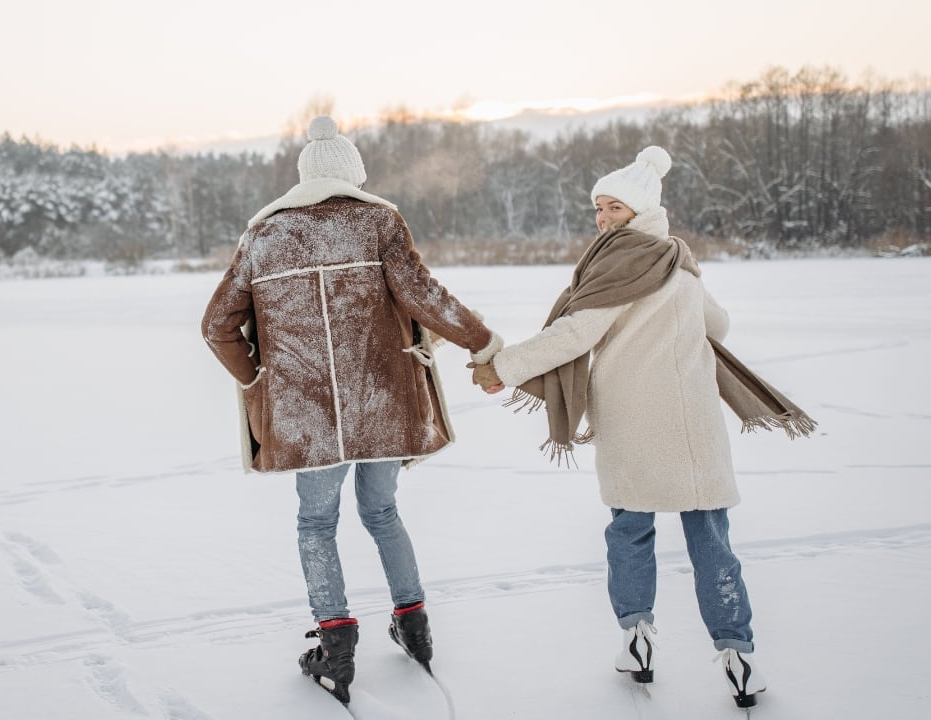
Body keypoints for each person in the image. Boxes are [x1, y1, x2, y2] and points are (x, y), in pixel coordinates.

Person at [471, 146, 815, 709]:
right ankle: (739, 657)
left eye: (613, 208)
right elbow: (719, 326)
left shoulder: (620, 262)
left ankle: (637, 641)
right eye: (598, 208)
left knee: (631, 532)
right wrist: (687, 294)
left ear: (639, 210)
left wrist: (503, 368)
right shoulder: (676, 259)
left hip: (635, 423)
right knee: (711, 540)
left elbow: (575, 334)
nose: (602, 218)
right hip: (696, 423)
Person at [201, 116, 502, 704]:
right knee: (382, 511)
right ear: (354, 174)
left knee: (317, 523)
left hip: (305, 414)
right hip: (382, 401)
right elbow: (423, 296)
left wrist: (256, 376)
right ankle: (414, 626)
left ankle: (336, 645)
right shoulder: (378, 222)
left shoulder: (263, 236)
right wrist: (481, 341)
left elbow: (217, 326)